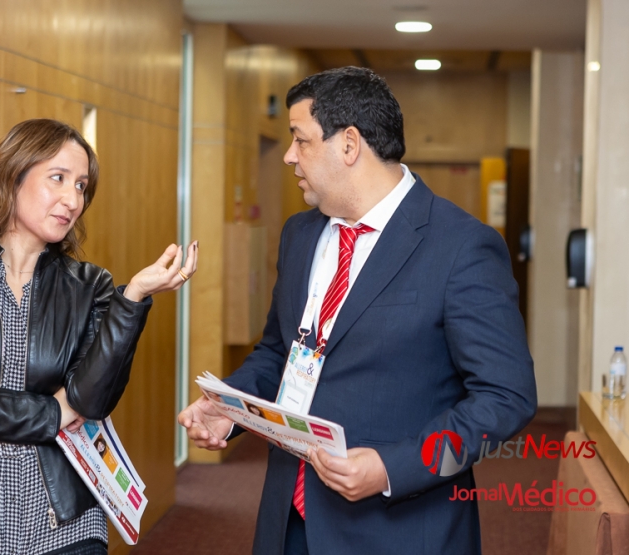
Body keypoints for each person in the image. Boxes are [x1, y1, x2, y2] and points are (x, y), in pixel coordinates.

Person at [179, 67, 536, 554]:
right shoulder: (300, 234)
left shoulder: (461, 247)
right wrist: (230, 406)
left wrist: (393, 468)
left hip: (397, 527)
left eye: (300, 140)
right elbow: (280, 352)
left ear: (349, 144)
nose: (288, 156)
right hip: (289, 515)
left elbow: (506, 397)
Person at [0, 118, 198, 555]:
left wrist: (131, 298)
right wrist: (50, 413)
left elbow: (91, 401)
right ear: (13, 175)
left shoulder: (91, 286)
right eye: (57, 178)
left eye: (81, 186)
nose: (72, 200)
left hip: (65, 525)